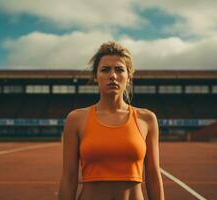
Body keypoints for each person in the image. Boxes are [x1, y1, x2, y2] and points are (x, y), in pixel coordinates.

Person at [59, 41, 165, 200]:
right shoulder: (76, 119)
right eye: (105, 69)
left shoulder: (147, 119)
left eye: (119, 69)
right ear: (96, 77)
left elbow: (153, 175)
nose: (112, 75)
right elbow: (69, 177)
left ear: (129, 77)